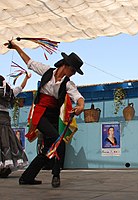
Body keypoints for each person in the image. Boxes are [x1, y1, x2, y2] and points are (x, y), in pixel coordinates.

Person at [6, 40, 85, 188]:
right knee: (58, 140)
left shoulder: (68, 83)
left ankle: (27, 177)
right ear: (66, 66)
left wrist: (80, 106)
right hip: (40, 113)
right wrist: (16, 47)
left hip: (53, 115)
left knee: (48, 150)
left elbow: (78, 97)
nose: (73, 74)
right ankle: (56, 175)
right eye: (73, 71)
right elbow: (29, 62)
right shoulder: (47, 71)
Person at [0, 73, 31, 178]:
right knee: (7, 142)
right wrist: (26, 78)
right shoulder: (9, 93)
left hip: (4, 121)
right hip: (5, 121)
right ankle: (5, 167)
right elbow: (20, 87)